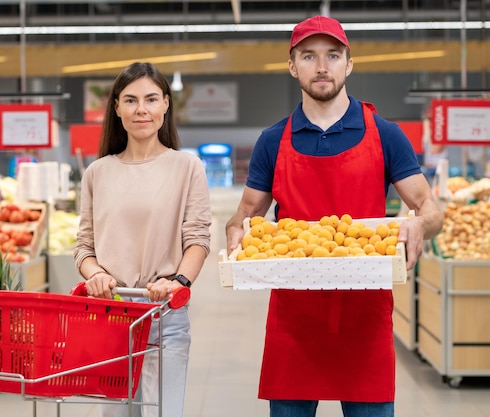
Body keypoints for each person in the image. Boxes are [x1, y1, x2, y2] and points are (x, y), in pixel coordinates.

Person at [225, 15, 443, 417]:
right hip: (295, 318)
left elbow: (430, 210)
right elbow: (242, 217)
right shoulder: (273, 141)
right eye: (308, 56)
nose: (322, 67)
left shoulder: (385, 134)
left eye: (333, 55)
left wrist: (418, 224)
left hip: (365, 317)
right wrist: (236, 235)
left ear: (349, 63)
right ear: (293, 67)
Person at [72, 62, 212, 417]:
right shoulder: (98, 172)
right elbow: (85, 247)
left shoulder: (187, 167)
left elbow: (197, 239)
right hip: (111, 314)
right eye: (131, 100)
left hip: (165, 314)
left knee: (163, 412)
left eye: (151, 99)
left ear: (166, 104)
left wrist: (178, 280)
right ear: (117, 108)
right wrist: (95, 275)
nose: (141, 110)